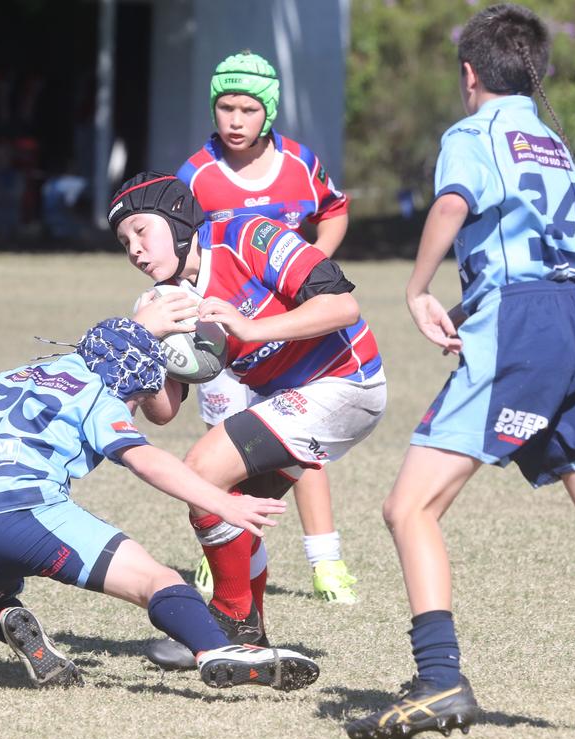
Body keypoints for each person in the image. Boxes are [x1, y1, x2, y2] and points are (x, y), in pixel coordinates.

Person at [345, 4, 575, 739]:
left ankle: (439, 678)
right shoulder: (554, 144)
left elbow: (453, 201)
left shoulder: (472, 135)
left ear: (470, 74)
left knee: (409, 509)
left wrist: (419, 290)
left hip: (521, 324)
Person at [0, 317, 320, 691]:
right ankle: (217, 651)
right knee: (158, 581)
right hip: (29, 512)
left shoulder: (15, 377)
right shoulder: (102, 396)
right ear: (132, 382)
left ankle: (5, 617)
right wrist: (222, 501)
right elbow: (146, 460)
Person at [109, 172, 386, 669]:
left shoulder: (249, 237)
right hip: (286, 398)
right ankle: (249, 640)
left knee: (201, 476)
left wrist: (250, 328)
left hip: (345, 381)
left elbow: (343, 306)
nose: (134, 250)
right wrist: (143, 358)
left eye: (140, 232)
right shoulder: (164, 301)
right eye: (124, 241)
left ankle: (231, 620)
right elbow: (165, 412)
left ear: (176, 220)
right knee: (227, 505)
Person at [177, 50, 358, 604]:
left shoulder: (301, 163)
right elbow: (180, 250)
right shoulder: (197, 175)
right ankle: (221, 557)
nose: (234, 119)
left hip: (295, 332)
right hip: (229, 339)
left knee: (302, 447)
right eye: (225, 107)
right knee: (228, 445)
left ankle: (326, 563)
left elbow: (333, 212)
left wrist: (315, 269)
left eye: (248, 108)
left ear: (269, 112)